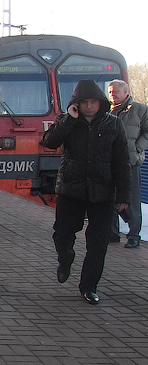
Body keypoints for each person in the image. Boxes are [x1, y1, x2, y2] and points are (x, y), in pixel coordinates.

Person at [42, 79, 130, 304]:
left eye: (93, 102)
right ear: (77, 104)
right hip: (71, 188)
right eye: (84, 102)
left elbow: (122, 161)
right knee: (62, 233)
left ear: (101, 103)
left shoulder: (113, 124)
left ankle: (89, 287)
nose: (89, 106)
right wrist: (69, 120)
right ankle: (65, 258)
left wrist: (124, 196)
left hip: (102, 191)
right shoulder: (67, 120)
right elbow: (49, 142)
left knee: (98, 244)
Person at [108, 79, 148, 248]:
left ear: (126, 92)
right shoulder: (105, 111)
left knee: (131, 199)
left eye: (115, 91)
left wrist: (137, 147)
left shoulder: (140, 109)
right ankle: (112, 234)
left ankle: (133, 236)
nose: (112, 95)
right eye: (110, 92)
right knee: (109, 198)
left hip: (131, 162)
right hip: (109, 162)